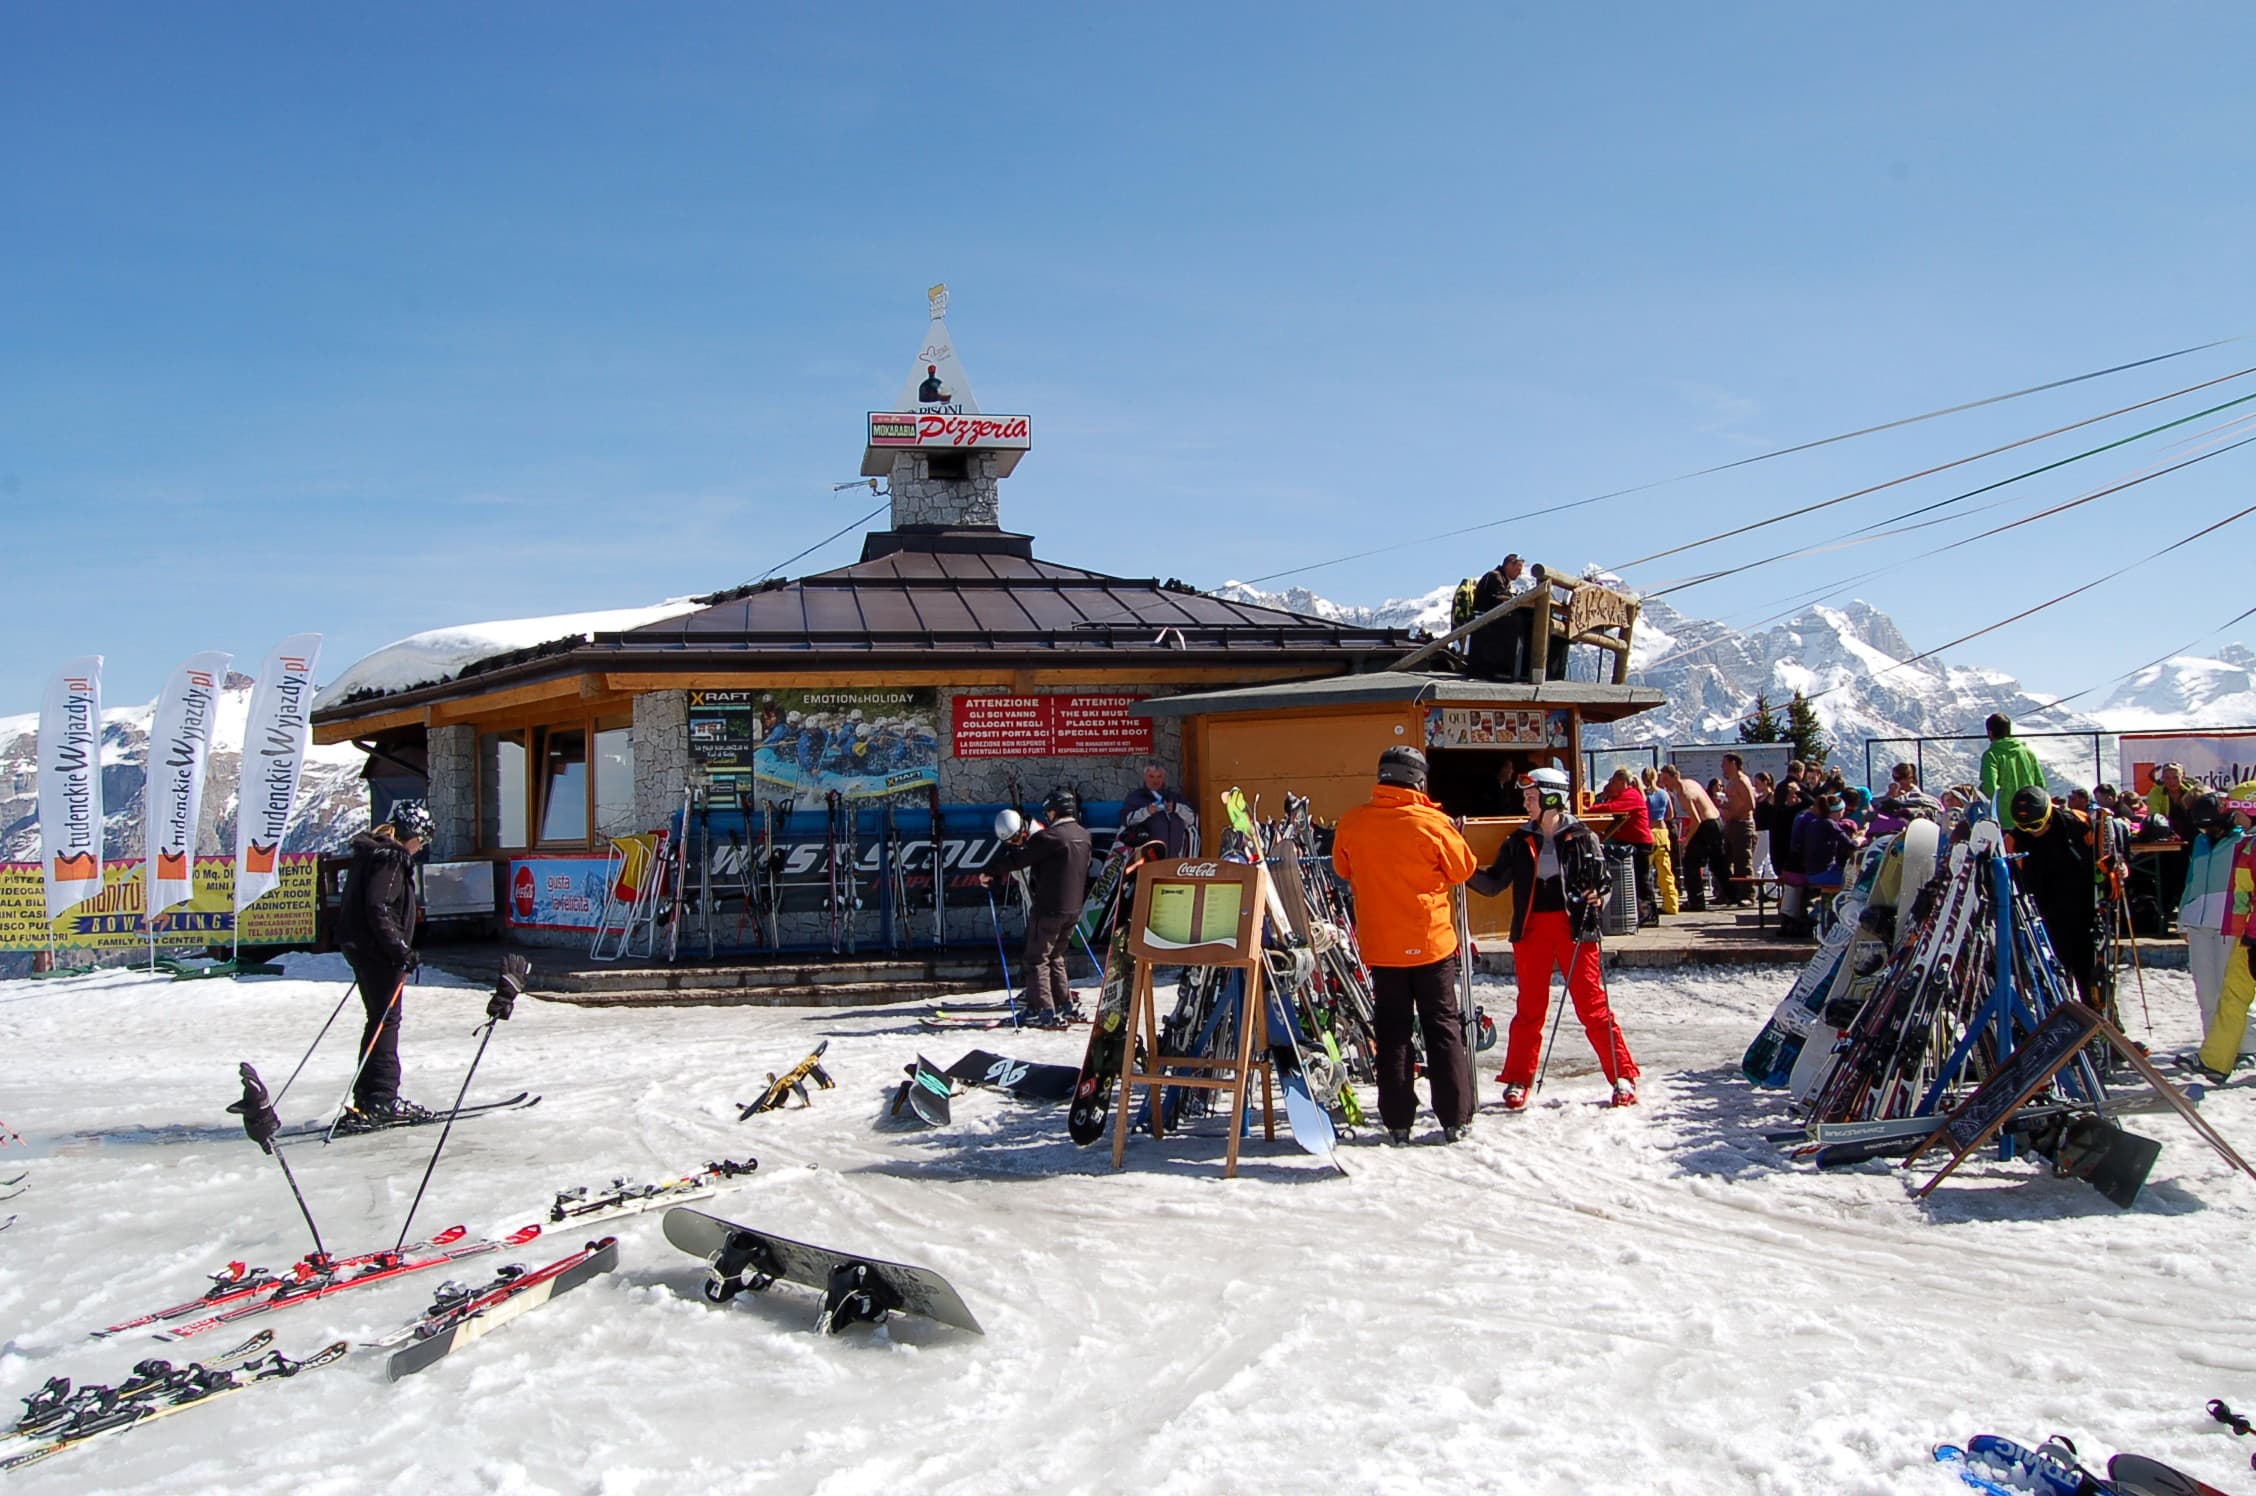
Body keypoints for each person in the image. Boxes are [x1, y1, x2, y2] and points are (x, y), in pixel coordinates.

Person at [1468, 766, 1641, 1110]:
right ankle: (1518, 1078)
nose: (1526, 803)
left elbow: (1604, 881)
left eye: (1532, 797)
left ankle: (1622, 1076)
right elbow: (1494, 883)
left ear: (1552, 798)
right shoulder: (1518, 840)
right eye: (1526, 797)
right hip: (1532, 929)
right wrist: (1463, 868)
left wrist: (1598, 896)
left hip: (1574, 928)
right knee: (1530, 1009)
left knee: (1592, 1006)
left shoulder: (1582, 837)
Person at [1331, 747, 1479, 1145]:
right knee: (1442, 1026)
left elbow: (1342, 868)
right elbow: (1463, 869)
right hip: (1430, 944)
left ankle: (1397, 1119)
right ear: (1419, 781)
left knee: (1392, 1031)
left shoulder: (1355, 822)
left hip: (1382, 946)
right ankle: (1454, 1116)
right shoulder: (1434, 823)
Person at [334, 801, 435, 1131]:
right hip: (380, 955)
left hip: (364, 950)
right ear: (411, 835)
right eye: (422, 840)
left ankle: (370, 1095)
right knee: (386, 1022)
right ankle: (381, 1098)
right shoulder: (392, 858)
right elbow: (379, 907)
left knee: (378, 1020)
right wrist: (401, 949)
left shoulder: (373, 853)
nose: (421, 848)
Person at [982, 789, 1093, 1028]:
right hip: (1073, 908)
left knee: (1036, 958)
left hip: (1049, 908)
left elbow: (1018, 860)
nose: (1047, 815)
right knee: (1055, 956)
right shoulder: (1084, 835)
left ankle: (1041, 1010)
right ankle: (1064, 1005)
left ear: (1055, 811)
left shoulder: (1049, 837)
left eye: (1049, 811)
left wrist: (989, 871)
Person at [2005, 787, 2100, 1007]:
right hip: (2046, 915)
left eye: (2036, 826)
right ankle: (2062, 1024)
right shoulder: (2015, 839)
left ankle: (2105, 1028)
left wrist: (2116, 869)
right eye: (2025, 827)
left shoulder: (2076, 823)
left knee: (2092, 976)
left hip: (2084, 910)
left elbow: (2104, 855)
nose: (2033, 832)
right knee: (2056, 977)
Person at [1589, 768, 1657, 925]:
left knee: (1642, 878)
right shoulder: (1620, 796)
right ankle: (1643, 911)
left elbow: (1612, 808)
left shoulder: (1631, 795)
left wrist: (1586, 810)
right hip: (1630, 841)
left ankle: (1649, 913)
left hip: (1640, 842)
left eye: (1613, 781)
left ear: (1621, 782)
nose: (1610, 784)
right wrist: (1604, 795)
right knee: (1638, 878)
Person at [1659, 764, 1726, 912]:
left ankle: (1696, 901)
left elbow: (1696, 820)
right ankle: (1730, 894)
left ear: (1675, 777)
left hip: (1706, 824)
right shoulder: (1690, 782)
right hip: (1716, 821)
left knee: (1690, 862)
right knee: (1718, 861)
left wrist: (1686, 841)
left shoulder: (1683, 792)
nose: (1664, 784)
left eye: (1666, 780)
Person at [1465, 553, 1534, 681]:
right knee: (1518, 621)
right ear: (1509, 565)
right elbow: (1501, 599)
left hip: (1494, 619)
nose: (1519, 573)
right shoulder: (1494, 577)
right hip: (1486, 621)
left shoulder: (1503, 579)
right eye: (1518, 569)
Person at [1121, 761, 1198, 857]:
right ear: (1145, 777)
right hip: (1148, 859)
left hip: (1175, 858)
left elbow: (1192, 819)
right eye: (1151, 776)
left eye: (1159, 776)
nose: (1155, 781)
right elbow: (1127, 821)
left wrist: (1177, 808)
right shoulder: (1136, 798)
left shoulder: (1175, 797)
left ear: (1164, 777)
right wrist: (1146, 812)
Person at [1978, 713, 2044, 816]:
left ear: (1990, 733)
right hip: (2029, 817)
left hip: (2004, 817)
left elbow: (1990, 788)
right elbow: (2040, 785)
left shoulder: (1991, 755)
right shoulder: (2028, 753)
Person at [1715, 753, 1757, 903]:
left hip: (1743, 824)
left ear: (1733, 764)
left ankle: (1747, 895)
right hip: (1731, 825)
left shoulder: (1741, 780)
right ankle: (1729, 893)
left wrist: (1733, 814)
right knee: (1725, 860)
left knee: (1742, 861)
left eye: (1724, 764)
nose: (1722, 767)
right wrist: (1721, 805)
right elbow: (1734, 803)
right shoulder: (1730, 782)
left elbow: (1750, 804)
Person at [1641, 767, 1681, 916]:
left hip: (1649, 833)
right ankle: (1671, 904)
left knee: (1646, 873)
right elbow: (1670, 814)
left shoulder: (1644, 796)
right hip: (1663, 832)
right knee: (1665, 872)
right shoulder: (1664, 794)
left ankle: (1648, 907)